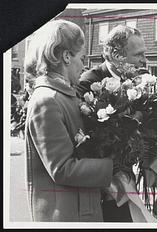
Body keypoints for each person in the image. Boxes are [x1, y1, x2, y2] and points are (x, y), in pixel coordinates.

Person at [24, 19, 113, 222]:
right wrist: (113, 166)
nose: (84, 66)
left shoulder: (65, 96)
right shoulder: (47, 101)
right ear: (66, 56)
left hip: (79, 209)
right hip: (65, 214)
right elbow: (62, 168)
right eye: (81, 58)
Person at [76, 25, 147, 222]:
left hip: (127, 176)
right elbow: (88, 140)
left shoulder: (135, 80)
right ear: (116, 54)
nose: (144, 60)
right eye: (138, 54)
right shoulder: (89, 82)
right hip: (103, 186)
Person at [77, 25, 147, 97]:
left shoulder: (143, 78)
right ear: (116, 56)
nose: (144, 60)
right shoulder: (87, 83)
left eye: (144, 53)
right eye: (138, 54)